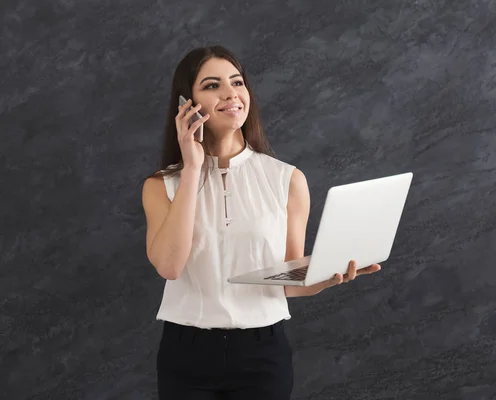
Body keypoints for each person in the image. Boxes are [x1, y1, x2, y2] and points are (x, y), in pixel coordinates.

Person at [141, 45, 382, 400]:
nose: (230, 93)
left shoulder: (287, 180)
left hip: (262, 353)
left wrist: (326, 276)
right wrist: (191, 167)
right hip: (186, 354)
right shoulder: (162, 185)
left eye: (237, 82)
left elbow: (286, 281)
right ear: (185, 105)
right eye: (211, 86)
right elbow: (170, 265)